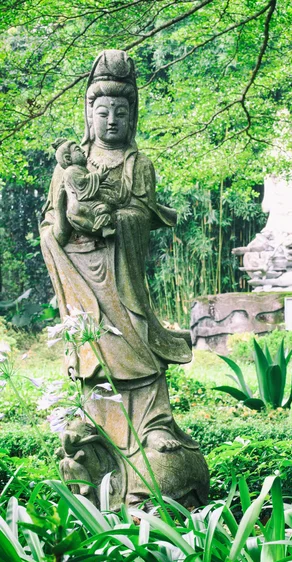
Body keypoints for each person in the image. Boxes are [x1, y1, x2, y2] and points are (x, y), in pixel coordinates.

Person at [41, 49, 209, 508]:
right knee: (93, 363)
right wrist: (70, 226)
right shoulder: (68, 165)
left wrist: (116, 219)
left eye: (121, 111)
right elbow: (49, 227)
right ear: (89, 115)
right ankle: (103, 463)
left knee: (139, 355)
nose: (111, 120)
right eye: (102, 111)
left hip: (122, 282)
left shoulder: (139, 164)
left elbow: (142, 216)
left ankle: (151, 444)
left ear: (132, 116)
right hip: (84, 285)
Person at [53, 138, 114, 236]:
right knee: (103, 208)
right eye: (78, 149)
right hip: (80, 206)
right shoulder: (70, 171)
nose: (83, 151)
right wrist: (98, 176)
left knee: (105, 206)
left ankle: (102, 228)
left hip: (84, 205)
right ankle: (102, 228)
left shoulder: (80, 170)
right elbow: (82, 184)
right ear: (68, 158)